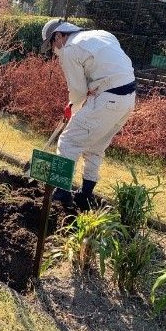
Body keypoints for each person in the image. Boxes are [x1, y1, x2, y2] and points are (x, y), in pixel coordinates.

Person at [40, 19, 136, 211]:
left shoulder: (69, 49)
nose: (54, 51)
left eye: (52, 45)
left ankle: (62, 194)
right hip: (128, 99)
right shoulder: (101, 34)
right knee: (95, 147)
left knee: (68, 141)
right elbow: (106, 70)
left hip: (107, 98)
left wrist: (72, 107)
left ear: (59, 36)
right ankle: (84, 195)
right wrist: (91, 90)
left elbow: (77, 91)